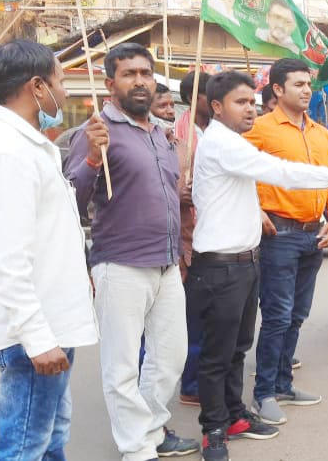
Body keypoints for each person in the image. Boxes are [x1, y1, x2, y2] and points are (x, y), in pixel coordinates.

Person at [189, 71, 328, 461]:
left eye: (251, 101)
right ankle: (214, 430)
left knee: (237, 348)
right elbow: (284, 173)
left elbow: (246, 192)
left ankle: (234, 415)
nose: (249, 109)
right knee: (218, 355)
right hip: (221, 265)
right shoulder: (222, 144)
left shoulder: (235, 142)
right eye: (240, 103)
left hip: (245, 260)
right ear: (216, 107)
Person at [64, 43, 197, 460]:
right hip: (119, 263)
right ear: (110, 84)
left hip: (167, 263)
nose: (140, 80)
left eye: (145, 73)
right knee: (122, 367)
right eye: (129, 74)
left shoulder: (162, 134)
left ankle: (152, 428)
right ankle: (136, 448)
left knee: (170, 358)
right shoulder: (95, 131)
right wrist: (89, 157)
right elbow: (70, 196)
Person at [0, 40, 98, 460]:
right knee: (24, 446)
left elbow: (48, 231)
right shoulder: (8, 152)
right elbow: (8, 258)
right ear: (37, 86)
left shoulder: (25, 143)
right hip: (34, 332)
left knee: (49, 433)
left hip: (48, 319)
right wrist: (38, 338)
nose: (65, 92)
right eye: (60, 81)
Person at [244, 59, 328, 425]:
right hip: (278, 235)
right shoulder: (261, 129)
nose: (307, 90)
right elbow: (236, 170)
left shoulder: (321, 133)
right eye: (298, 84)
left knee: (297, 316)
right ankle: (264, 392)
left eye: (309, 84)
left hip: (313, 234)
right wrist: (255, 208)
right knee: (277, 316)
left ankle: (284, 383)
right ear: (278, 90)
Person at [175, 69, 211, 408]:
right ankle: (190, 384)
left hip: (210, 239)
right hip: (188, 242)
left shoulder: (213, 131)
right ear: (195, 98)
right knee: (194, 321)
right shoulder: (178, 134)